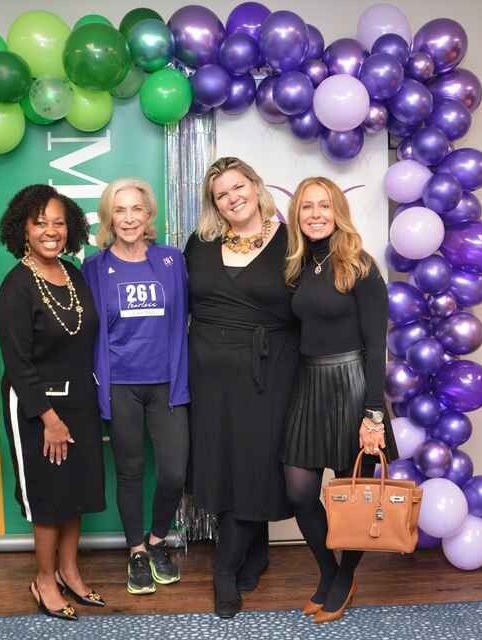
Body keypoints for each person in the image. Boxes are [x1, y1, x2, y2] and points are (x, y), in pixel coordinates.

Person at [184, 157, 300, 618]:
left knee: (253, 466)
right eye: (221, 194)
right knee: (221, 463)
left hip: (267, 374)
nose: (232, 198)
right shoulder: (200, 243)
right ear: (214, 204)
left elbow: (312, 305)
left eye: (238, 187)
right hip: (208, 378)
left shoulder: (292, 241)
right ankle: (257, 552)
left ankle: (224, 570)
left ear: (255, 185)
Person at [281, 177, 399, 624]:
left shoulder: (360, 265)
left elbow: (376, 345)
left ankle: (344, 578)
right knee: (299, 491)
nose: (315, 214)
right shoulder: (298, 265)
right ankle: (330, 573)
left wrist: (373, 415)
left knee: (355, 495)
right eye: (307, 206)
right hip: (309, 385)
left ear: (338, 212)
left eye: (324, 205)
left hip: (352, 386)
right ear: (296, 215)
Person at [0, 184, 106, 621]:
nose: (51, 231)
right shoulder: (17, 286)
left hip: (79, 399)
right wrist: (49, 419)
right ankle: (44, 580)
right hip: (37, 406)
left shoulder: (73, 274)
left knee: (75, 491)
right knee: (48, 496)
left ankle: (69, 572)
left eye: (59, 223)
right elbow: (18, 363)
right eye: (40, 223)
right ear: (23, 229)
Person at [82, 178, 190, 595]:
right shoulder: (94, 268)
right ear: (109, 218)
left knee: (174, 471)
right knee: (129, 471)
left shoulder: (172, 261)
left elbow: (192, 313)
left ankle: (158, 539)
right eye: (119, 210)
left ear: (149, 215)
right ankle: (137, 552)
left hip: (167, 384)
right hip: (120, 386)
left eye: (136, 209)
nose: (128, 218)